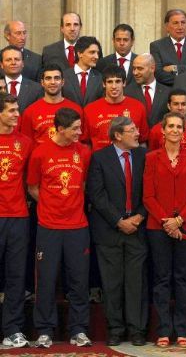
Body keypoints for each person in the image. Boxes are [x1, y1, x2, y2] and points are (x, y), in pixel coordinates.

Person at [27, 107, 92, 348]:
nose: (80, 132)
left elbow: (84, 184)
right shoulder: (40, 153)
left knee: (78, 280)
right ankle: (45, 330)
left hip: (77, 226)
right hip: (49, 226)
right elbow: (33, 187)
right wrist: (51, 205)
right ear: (60, 129)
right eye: (75, 129)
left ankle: (78, 329)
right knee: (45, 279)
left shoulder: (83, 152)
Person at [143, 111, 186, 348]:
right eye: (171, 126)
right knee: (161, 279)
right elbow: (148, 196)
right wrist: (166, 221)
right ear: (163, 129)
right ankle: (163, 330)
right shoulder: (151, 158)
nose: (175, 130)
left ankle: (181, 330)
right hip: (158, 227)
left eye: (180, 126)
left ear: (184, 131)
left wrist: (178, 221)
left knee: (182, 278)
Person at [86, 117, 148, 347]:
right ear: (118, 135)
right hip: (109, 230)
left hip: (138, 228)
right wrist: (119, 220)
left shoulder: (144, 156)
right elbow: (97, 194)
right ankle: (115, 328)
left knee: (136, 282)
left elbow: (151, 190)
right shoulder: (100, 158)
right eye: (132, 130)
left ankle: (137, 329)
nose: (137, 133)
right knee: (111, 283)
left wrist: (139, 216)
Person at [0, 93, 33, 348]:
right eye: (11, 110)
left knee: (15, 276)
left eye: (17, 110)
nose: (16, 114)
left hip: (18, 215)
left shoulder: (25, 141)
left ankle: (12, 329)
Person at [82, 66, 149, 151]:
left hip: (129, 160)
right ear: (103, 84)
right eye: (110, 82)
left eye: (118, 81)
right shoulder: (90, 109)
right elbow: (86, 143)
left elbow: (142, 141)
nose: (114, 86)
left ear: (124, 83)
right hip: (100, 161)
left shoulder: (138, 107)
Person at [20, 64, 82, 145]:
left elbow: (80, 141)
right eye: (48, 78)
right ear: (42, 83)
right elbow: (26, 143)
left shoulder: (75, 109)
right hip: (40, 157)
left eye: (57, 78)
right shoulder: (30, 112)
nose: (53, 82)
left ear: (63, 82)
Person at [150, 9, 186, 86]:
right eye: (176, 23)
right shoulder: (157, 46)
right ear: (167, 27)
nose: (180, 27)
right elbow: (158, 74)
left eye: (183, 23)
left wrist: (175, 68)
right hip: (168, 92)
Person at [124, 53, 170, 127]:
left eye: (140, 68)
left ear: (152, 68)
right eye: (134, 68)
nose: (135, 73)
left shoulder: (167, 92)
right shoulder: (127, 92)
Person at [61, 36, 104, 106]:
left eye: (97, 53)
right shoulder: (64, 76)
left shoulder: (99, 78)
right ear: (80, 54)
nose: (96, 57)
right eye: (92, 52)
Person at [0, 45, 43, 112]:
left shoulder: (37, 89)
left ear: (23, 63)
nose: (13, 63)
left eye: (17, 59)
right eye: (8, 60)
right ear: (1, 65)